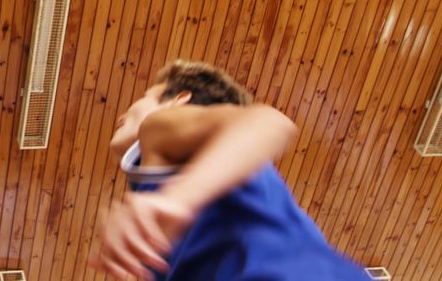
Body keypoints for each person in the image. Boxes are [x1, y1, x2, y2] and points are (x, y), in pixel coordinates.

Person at [89, 60, 366, 280]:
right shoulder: (186, 177)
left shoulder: (158, 127)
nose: (122, 114)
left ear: (180, 99)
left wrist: (175, 200)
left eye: (144, 96)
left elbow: (269, 122)